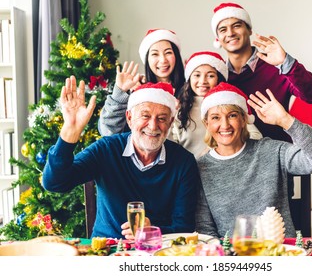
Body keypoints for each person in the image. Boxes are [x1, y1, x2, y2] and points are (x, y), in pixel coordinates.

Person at [42, 76, 200, 239]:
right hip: (107, 249)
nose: (153, 126)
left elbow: (184, 227)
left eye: (161, 118)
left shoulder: (183, 162)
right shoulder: (106, 149)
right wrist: (70, 131)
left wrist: (152, 231)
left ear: (170, 122)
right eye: (145, 116)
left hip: (157, 250)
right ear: (130, 118)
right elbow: (54, 183)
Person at [195, 82, 312, 238]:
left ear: (243, 119)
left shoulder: (272, 150)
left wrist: (285, 120)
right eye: (215, 118)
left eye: (232, 115)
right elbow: (204, 229)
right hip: (233, 255)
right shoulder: (201, 168)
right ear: (207, 124)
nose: (225, 125)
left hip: (281, 252)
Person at [210, 2, 312, 142]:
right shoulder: (217, 76)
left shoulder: (276, 65)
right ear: (218, 39)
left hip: (279, 155)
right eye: (223, 30)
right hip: (235, 159)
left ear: (249, 29)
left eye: (237, 26)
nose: (230, 33)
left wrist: (286, 62)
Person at [171, 51, 262, 158]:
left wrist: (215, 150)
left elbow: (256, 136)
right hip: (188, 170)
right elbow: (171, 145)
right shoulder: (179, 108)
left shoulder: (229, 103)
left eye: (210, 76)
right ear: (189, 78)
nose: (203, 81)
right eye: (197, 75)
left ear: (219, 78)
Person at [98, 28, 185, 136]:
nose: (163, 60)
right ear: (147, 59)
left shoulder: (191, 90)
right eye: (155, 54)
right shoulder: (136, 90)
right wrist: (120, 93)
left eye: (168, 53)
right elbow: (108, 131)